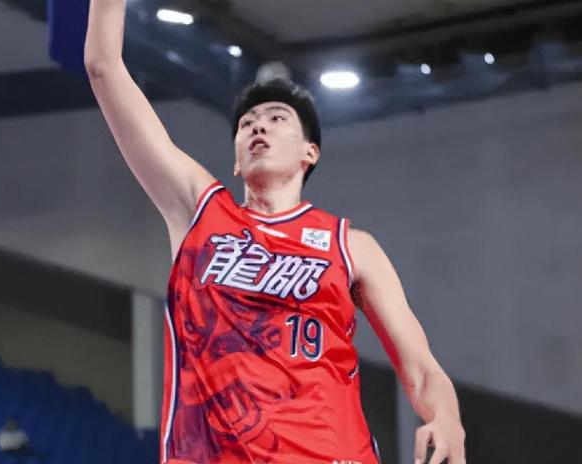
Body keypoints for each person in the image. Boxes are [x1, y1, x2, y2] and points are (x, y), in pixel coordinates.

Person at [84, 1, 466, 463]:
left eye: (276, 118)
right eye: (246, 123)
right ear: (236, 160)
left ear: (310, 152)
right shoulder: (199, 213)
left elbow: (421, 369)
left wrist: (447, 418)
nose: (258, 125)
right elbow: (103, 67)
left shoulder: (351, 246)